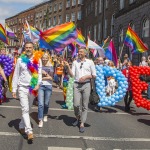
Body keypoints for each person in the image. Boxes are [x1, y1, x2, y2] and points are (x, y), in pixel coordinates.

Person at [12, 42, 42, 141]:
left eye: (30, 47)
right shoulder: (20, 60)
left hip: (32, 87)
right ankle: (29, 131)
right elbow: (16, 74)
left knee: (28, 108)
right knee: (25, 109)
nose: (28, 49)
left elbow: (40, 73)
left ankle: (21, 125)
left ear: (33, 48)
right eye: (27, 47)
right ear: (24, 49)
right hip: (22, 87)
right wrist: (14, 89)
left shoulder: (37, 59)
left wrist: (38, 84)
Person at [64, 47, 96, 133]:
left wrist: (86, 76)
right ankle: (78, 117)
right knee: (76, 104)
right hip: (77, 85)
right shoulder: (75, 62)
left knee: (85, 105)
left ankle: (82, 123)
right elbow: (72, 75)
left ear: (85, 53)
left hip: (86, 84)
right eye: (78, 52)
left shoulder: (90, 62)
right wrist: (68, 67)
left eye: (81, 52)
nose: (79, 53)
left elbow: (94, 75)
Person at [38, 52, 53, 127]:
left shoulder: (51, 66)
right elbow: (36, 76)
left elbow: (51, 78)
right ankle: (40, 119)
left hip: (48, 86)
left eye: (45, 58)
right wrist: (43, 76)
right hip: (40, 85)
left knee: (46, 103)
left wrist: (44, 74)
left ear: (48, 58)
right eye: (43, 58)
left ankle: (45, 114)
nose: (44, 59)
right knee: (40, 104)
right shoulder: (39, 66)